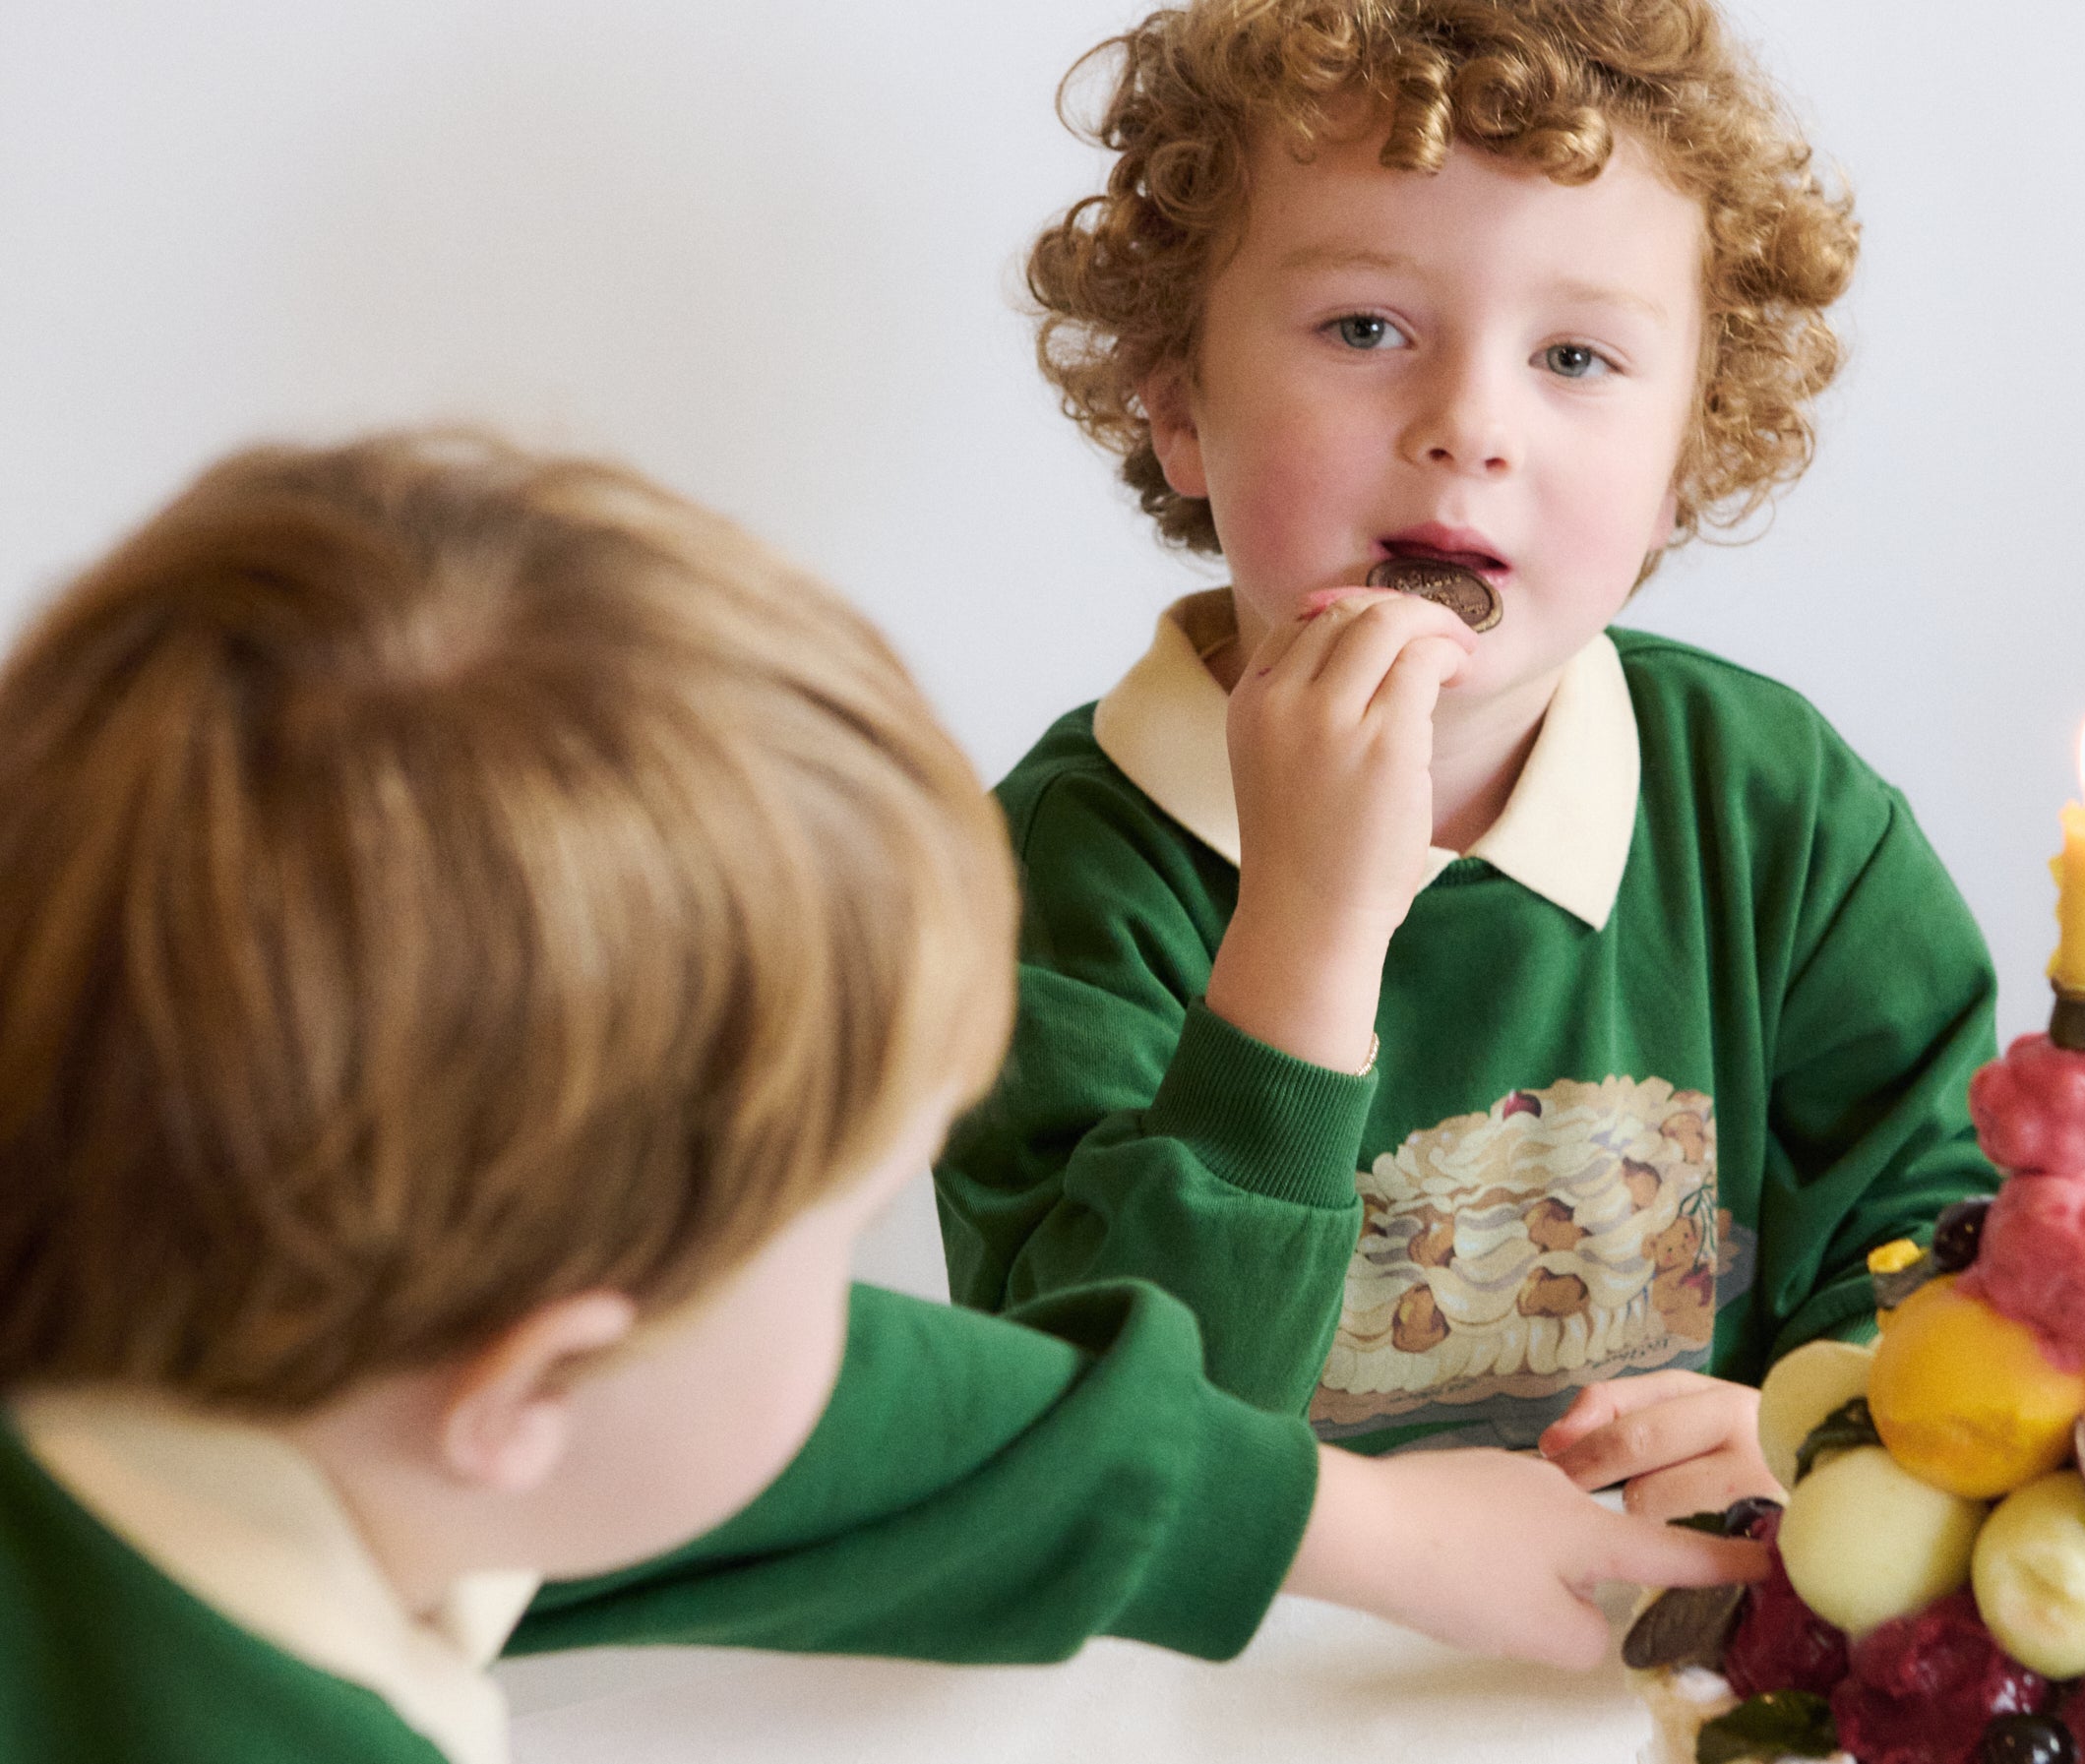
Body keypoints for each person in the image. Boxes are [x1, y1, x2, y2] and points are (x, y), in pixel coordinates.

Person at [0, 432, 1772, 1764]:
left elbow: (873, 1420)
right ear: (530, 1382)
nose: (857, 1312)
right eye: (830, 1246)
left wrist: (1355, 1520)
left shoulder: (266, 1353)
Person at [936, 0, 2003, 1518]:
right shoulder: (1043, 878)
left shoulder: (1771, 807)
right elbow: (1087, 1463)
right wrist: (1303, 933)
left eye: (1574, 353)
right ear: (1178, 403)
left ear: (1681, 458)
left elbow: (1951, 1235)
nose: (1468, 426)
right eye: (1366, 329)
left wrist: (1821, 1432)